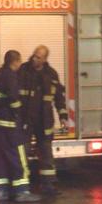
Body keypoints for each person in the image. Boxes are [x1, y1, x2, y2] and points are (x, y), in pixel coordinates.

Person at [0, 50, 41, 202]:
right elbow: (14, 98)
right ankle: (22, 191)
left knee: (0, 158)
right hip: (9, 126)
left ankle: (3, 191)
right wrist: (19, 114)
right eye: (19, 61)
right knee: (18, 157)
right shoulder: (10, 76)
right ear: (15, 62)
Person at [18, 45, 68, 195]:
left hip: (44, 120)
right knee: (23, 152)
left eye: (38, 57)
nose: (34, 58)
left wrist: (63, 116)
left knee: (46, 152)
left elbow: (59, 97)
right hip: (26, 119)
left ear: (45, 59)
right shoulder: (23, 70)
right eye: (34, 55)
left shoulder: (51, 74)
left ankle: (48, 185)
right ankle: (22, 185)